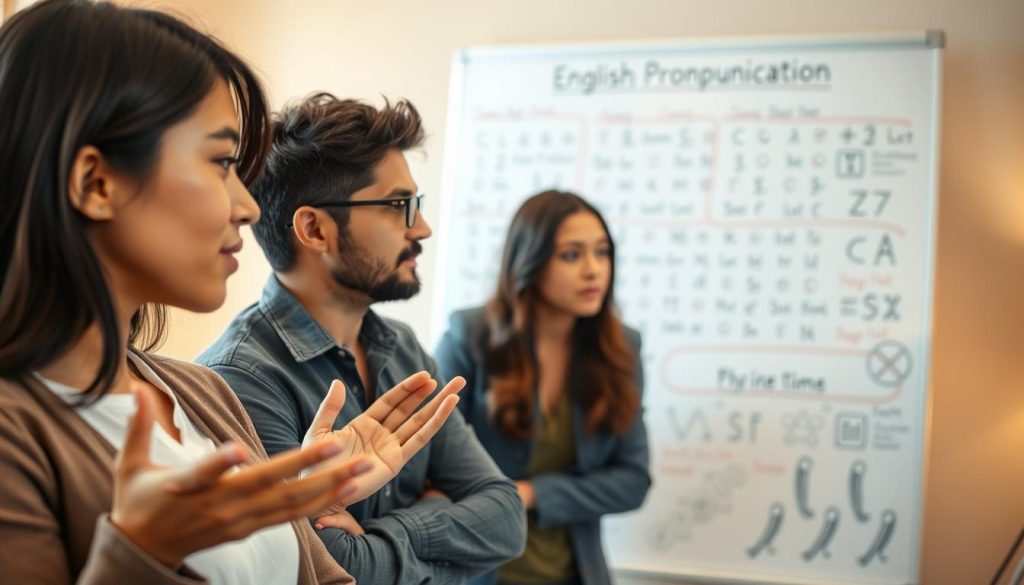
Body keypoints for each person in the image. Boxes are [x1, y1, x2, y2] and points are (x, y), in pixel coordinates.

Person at [0, 2, 461, 583]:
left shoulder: (202, 391)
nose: (246, 206)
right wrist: (141, 552)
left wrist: (302, 501)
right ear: (97, 183)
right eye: (221, 162)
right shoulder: (14, 430)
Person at [197, 93, 526, 584]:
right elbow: (329, 568)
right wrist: (439, 516)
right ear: (315, 229)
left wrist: (382, 536)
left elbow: (505, 518)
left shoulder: (403, 348)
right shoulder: (240, 378)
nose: (424, 228)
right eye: (399, 206)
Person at [435, 190, 652, 585]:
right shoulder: (468, 337)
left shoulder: (621, 348)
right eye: (571, 255)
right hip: (481, 574)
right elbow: (432, 467)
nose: (593, 270)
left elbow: (633, 481)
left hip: (577, 574)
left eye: (602, 253)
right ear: (529, 262)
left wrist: (532, 494)